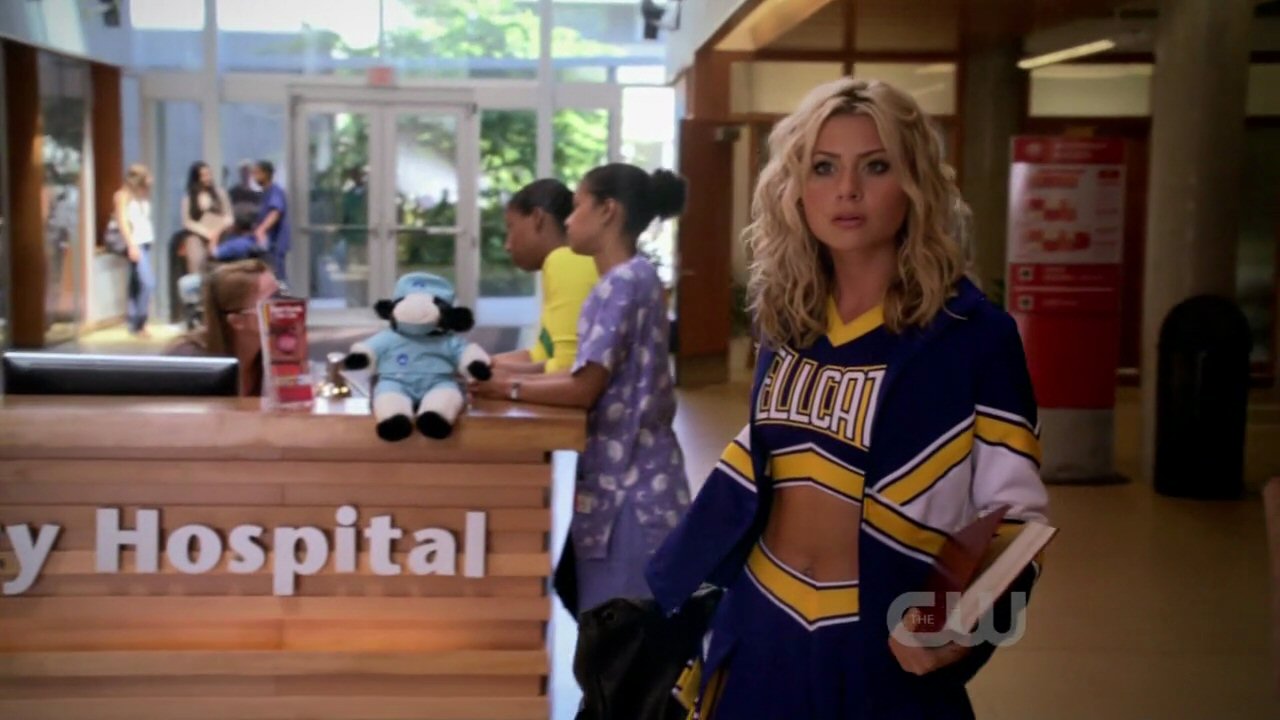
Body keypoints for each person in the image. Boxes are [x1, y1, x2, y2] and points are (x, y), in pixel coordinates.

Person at [645, 78, 1051, 719]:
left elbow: (1017, 517)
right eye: (824, 167)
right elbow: (765, 469)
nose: (847, 190)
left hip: (882, 646)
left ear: (915, 182)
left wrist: (956, 626)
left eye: (876, 166)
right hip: (760, 624)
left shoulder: (975, 336)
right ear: (795, 187)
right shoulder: (788, 320)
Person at [472, 164, 692, 615]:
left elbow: (583, 388)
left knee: (620, 635)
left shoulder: (620, 285)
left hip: (629, 492)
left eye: (576, 207)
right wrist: (503, 382)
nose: (568, 221)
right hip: (639, 480)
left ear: (608, 211)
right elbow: (578, 371)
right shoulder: (635, 277)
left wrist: (507, 389)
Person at [491, 178, 599, 375]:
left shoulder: (566, 261)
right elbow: (541, 355)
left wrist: (499, 380)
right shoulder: (561, 262)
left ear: (537, 218)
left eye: (511, 227)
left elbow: (568, 368)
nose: (507, 245)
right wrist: (475, 363)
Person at [166, 259, 280, 397]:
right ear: (237, 321)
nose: (286, 307)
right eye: (272, 300)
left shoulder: (279, 357)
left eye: (282, 294)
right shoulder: (189, 363)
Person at [112, 164, 156, 338]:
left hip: (145, 241)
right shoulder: (122, 196)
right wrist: (131, 245)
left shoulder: (142, 194)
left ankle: (134, 322)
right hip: (135, 242)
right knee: (147, 282)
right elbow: (122, 221)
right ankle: (140, 320)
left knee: (136, 282)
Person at [179, 161, 232, 274]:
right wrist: (206, 233)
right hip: (197, 236)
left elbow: (229, 216)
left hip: (219, 235)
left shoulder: (220, 194)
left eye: (209, 174)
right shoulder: (189, 197)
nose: (207, 178)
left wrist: (217, 232)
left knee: (219, 269)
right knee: (197, 266)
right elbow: (187, 221)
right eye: (203, 175)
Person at [252, 160, 290, 283]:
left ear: (266, 174)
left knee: (276, 278)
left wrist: (261, 230)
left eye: (257, 173)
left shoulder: (275, 191)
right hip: (267, 243)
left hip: (275, 243)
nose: (254, 176)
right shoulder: (264, 193)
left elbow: (276, 212)